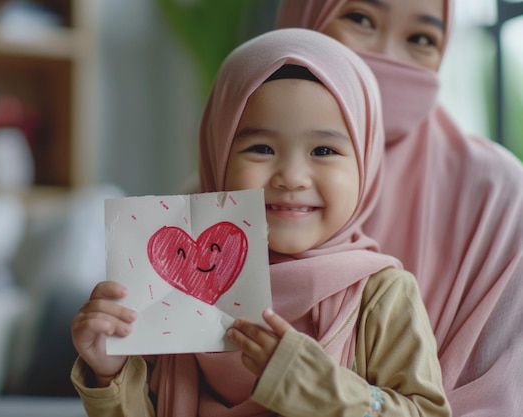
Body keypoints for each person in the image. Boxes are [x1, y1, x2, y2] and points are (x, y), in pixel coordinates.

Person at [70, 28, 451, 416]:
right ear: (217, 154)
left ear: (366, 164)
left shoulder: (380, 295)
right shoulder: (174, 282)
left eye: (324, 149)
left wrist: (321, 387)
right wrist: (109, 374)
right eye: (261, 148)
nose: (291, 176)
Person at [275, 1, 523, 416]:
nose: (387, 59)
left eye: (421, 38)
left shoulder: (500, 199)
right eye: (360, 19)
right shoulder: (221, 206)